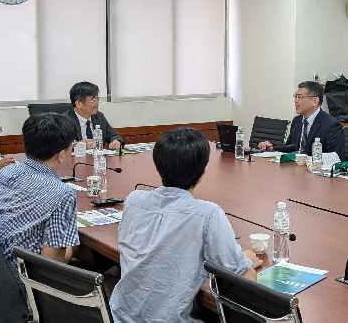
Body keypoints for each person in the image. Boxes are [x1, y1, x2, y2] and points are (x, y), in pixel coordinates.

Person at [110, 127, 262, 322]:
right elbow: (242, 283)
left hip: (119, 317)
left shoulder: (133, 200)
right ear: (202, 172)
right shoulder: (207, 214)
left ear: (158, 165)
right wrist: (245, 262)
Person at [0, 113, 80, 268]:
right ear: (61, 155)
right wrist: (73, 246)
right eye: (72, 146)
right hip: (23, 282)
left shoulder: (6, 172)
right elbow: (51, 265)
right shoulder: (61, 193)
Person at [258, 81, 345, 160]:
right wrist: (273, 148)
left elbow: (336, 158)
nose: (295, 101)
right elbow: (291, 147)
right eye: (295, 97)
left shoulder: (331, 125)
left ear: (315, 100)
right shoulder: (297, 121)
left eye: (299, 97)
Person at [64, 81, 122, 150]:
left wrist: (115, 141)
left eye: (97, 99)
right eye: (93, 100)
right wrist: (80, 146)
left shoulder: (99, 116)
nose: (97, 103)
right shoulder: (64, 122)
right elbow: (60, 149)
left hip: (98, 158)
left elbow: (114, 135)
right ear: (79, 104)